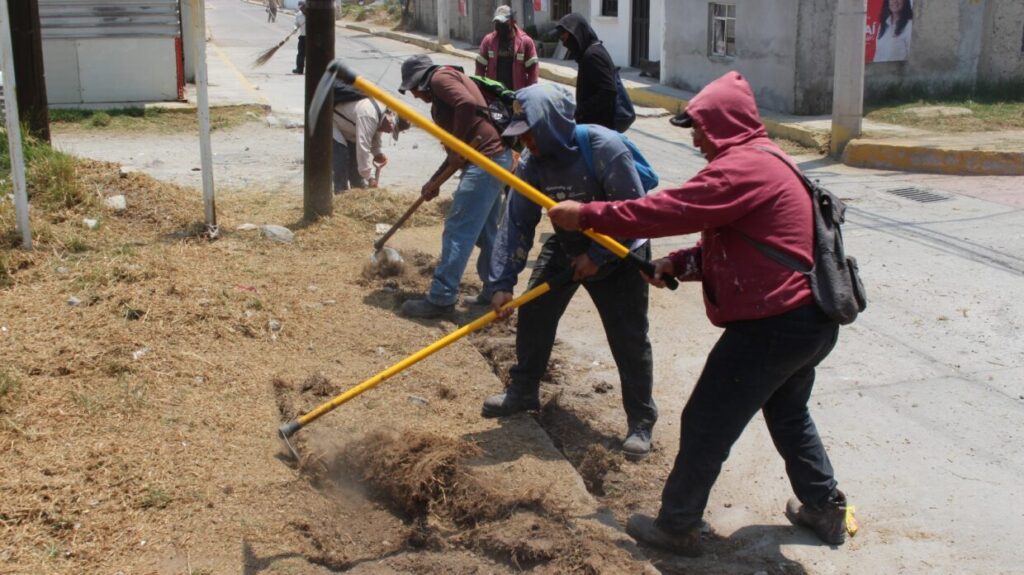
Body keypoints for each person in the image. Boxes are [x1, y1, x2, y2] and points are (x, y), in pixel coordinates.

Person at [547, 71, 849, 557]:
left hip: (775, 324)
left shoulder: (743, 168)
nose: (696, 141)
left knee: (707, 418)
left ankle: (677, 525)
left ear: (724, 125)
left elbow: (668, 209)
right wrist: (680, 263)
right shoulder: (770, 161)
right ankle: (825, 507)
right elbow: (750, 242)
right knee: (788, 411)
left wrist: (587, 215)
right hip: (810, 320)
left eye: (700, 129)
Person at [481, 83, 657, 460]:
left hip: (620, 249)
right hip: (567, 245)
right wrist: (501, 283)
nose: (525, 141)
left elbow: (634, 213)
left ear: (550, 124)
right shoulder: (532, 164)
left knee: (628, 338)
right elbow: (516, 223)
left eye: (529, 131)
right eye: (520, 134)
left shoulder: (604, 148)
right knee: (535, 311)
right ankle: (523, 390)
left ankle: (641, 420)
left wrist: (598, 255)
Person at [397, 54, 512, 319]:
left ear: (420, 80)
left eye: (413, 88)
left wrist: (457, 147)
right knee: (485, 232)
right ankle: (493, 289)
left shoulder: (439, 78)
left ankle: (441, 298)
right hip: (490, 159)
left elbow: (467, 103)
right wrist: (435, 181)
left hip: (485, 160)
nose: (414, 95)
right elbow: (454, 152)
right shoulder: (445, 85)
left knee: (457, 230)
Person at [331, 92, 410, 193]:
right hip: (332, 123)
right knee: (342, 157)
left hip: (349, 127)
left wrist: (377, 153)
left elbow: (374, 134)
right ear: (391, 116)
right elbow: (363, 147)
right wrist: (370, 177)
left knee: (356, 166)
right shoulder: (369, 115)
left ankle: (358, 195)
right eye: (392, 129)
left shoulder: (382, 113)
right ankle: (341, 194)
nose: (389, 132)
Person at [554, 13, 617, 130]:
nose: (564, 44)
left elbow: (609, 91)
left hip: (598, 127)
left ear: (576, 34)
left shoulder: (592, 55)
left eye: (565, 38)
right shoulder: (590, 52)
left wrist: (582, 110)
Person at [475, 6, 539, 91]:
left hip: (517, 95)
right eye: (497, 22)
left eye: (503, 22)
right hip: (494, 94)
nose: (500, 26)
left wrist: (528, 94)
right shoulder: (488, 41)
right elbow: (480, 67)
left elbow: (533, 72)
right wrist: (482, 89)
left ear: (513, 22)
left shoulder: (526, 42)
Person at [293, 1, 307, 75]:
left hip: (311, 38)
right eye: (301, 8)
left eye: (303, 8)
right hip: (302, 37)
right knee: (300, 54)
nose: (302, 10)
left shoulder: (313, 14)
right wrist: (295, 28)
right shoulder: (298, 15)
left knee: (311, 54)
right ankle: (299, 69)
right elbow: (296, 23)